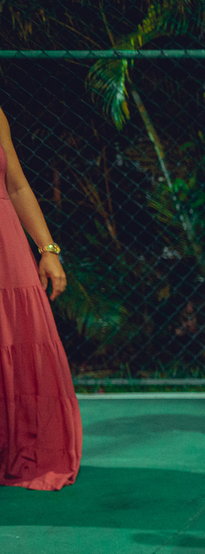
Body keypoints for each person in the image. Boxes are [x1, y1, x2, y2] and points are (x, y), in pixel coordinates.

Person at [0, 104, 80, 491]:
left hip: (6, 244)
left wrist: (47, 249)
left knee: (19, 338)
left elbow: (16, 185)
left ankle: (19, 445)